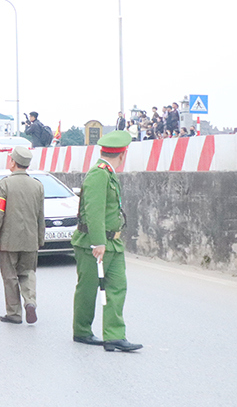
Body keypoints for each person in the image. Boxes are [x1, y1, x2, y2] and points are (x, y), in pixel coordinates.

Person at [72, 130, 142, 352]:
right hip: (93, 243)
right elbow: (93, 211)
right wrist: (98, 242)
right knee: (89, 289)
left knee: (117, 287)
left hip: (114, 243)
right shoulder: (98, 174)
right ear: (123, 154)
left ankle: (114, 336)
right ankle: (82, 330)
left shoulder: (108, 173)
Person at [0, 147, 44, 324]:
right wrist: (40, 239)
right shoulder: (37, 185)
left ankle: (14, 313)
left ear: (13, 162)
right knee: (28, 272)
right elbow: (40, 215)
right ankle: (30, 302)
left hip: (8, 240)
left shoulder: (4, 184)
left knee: (10, 276)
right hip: (30, 239)